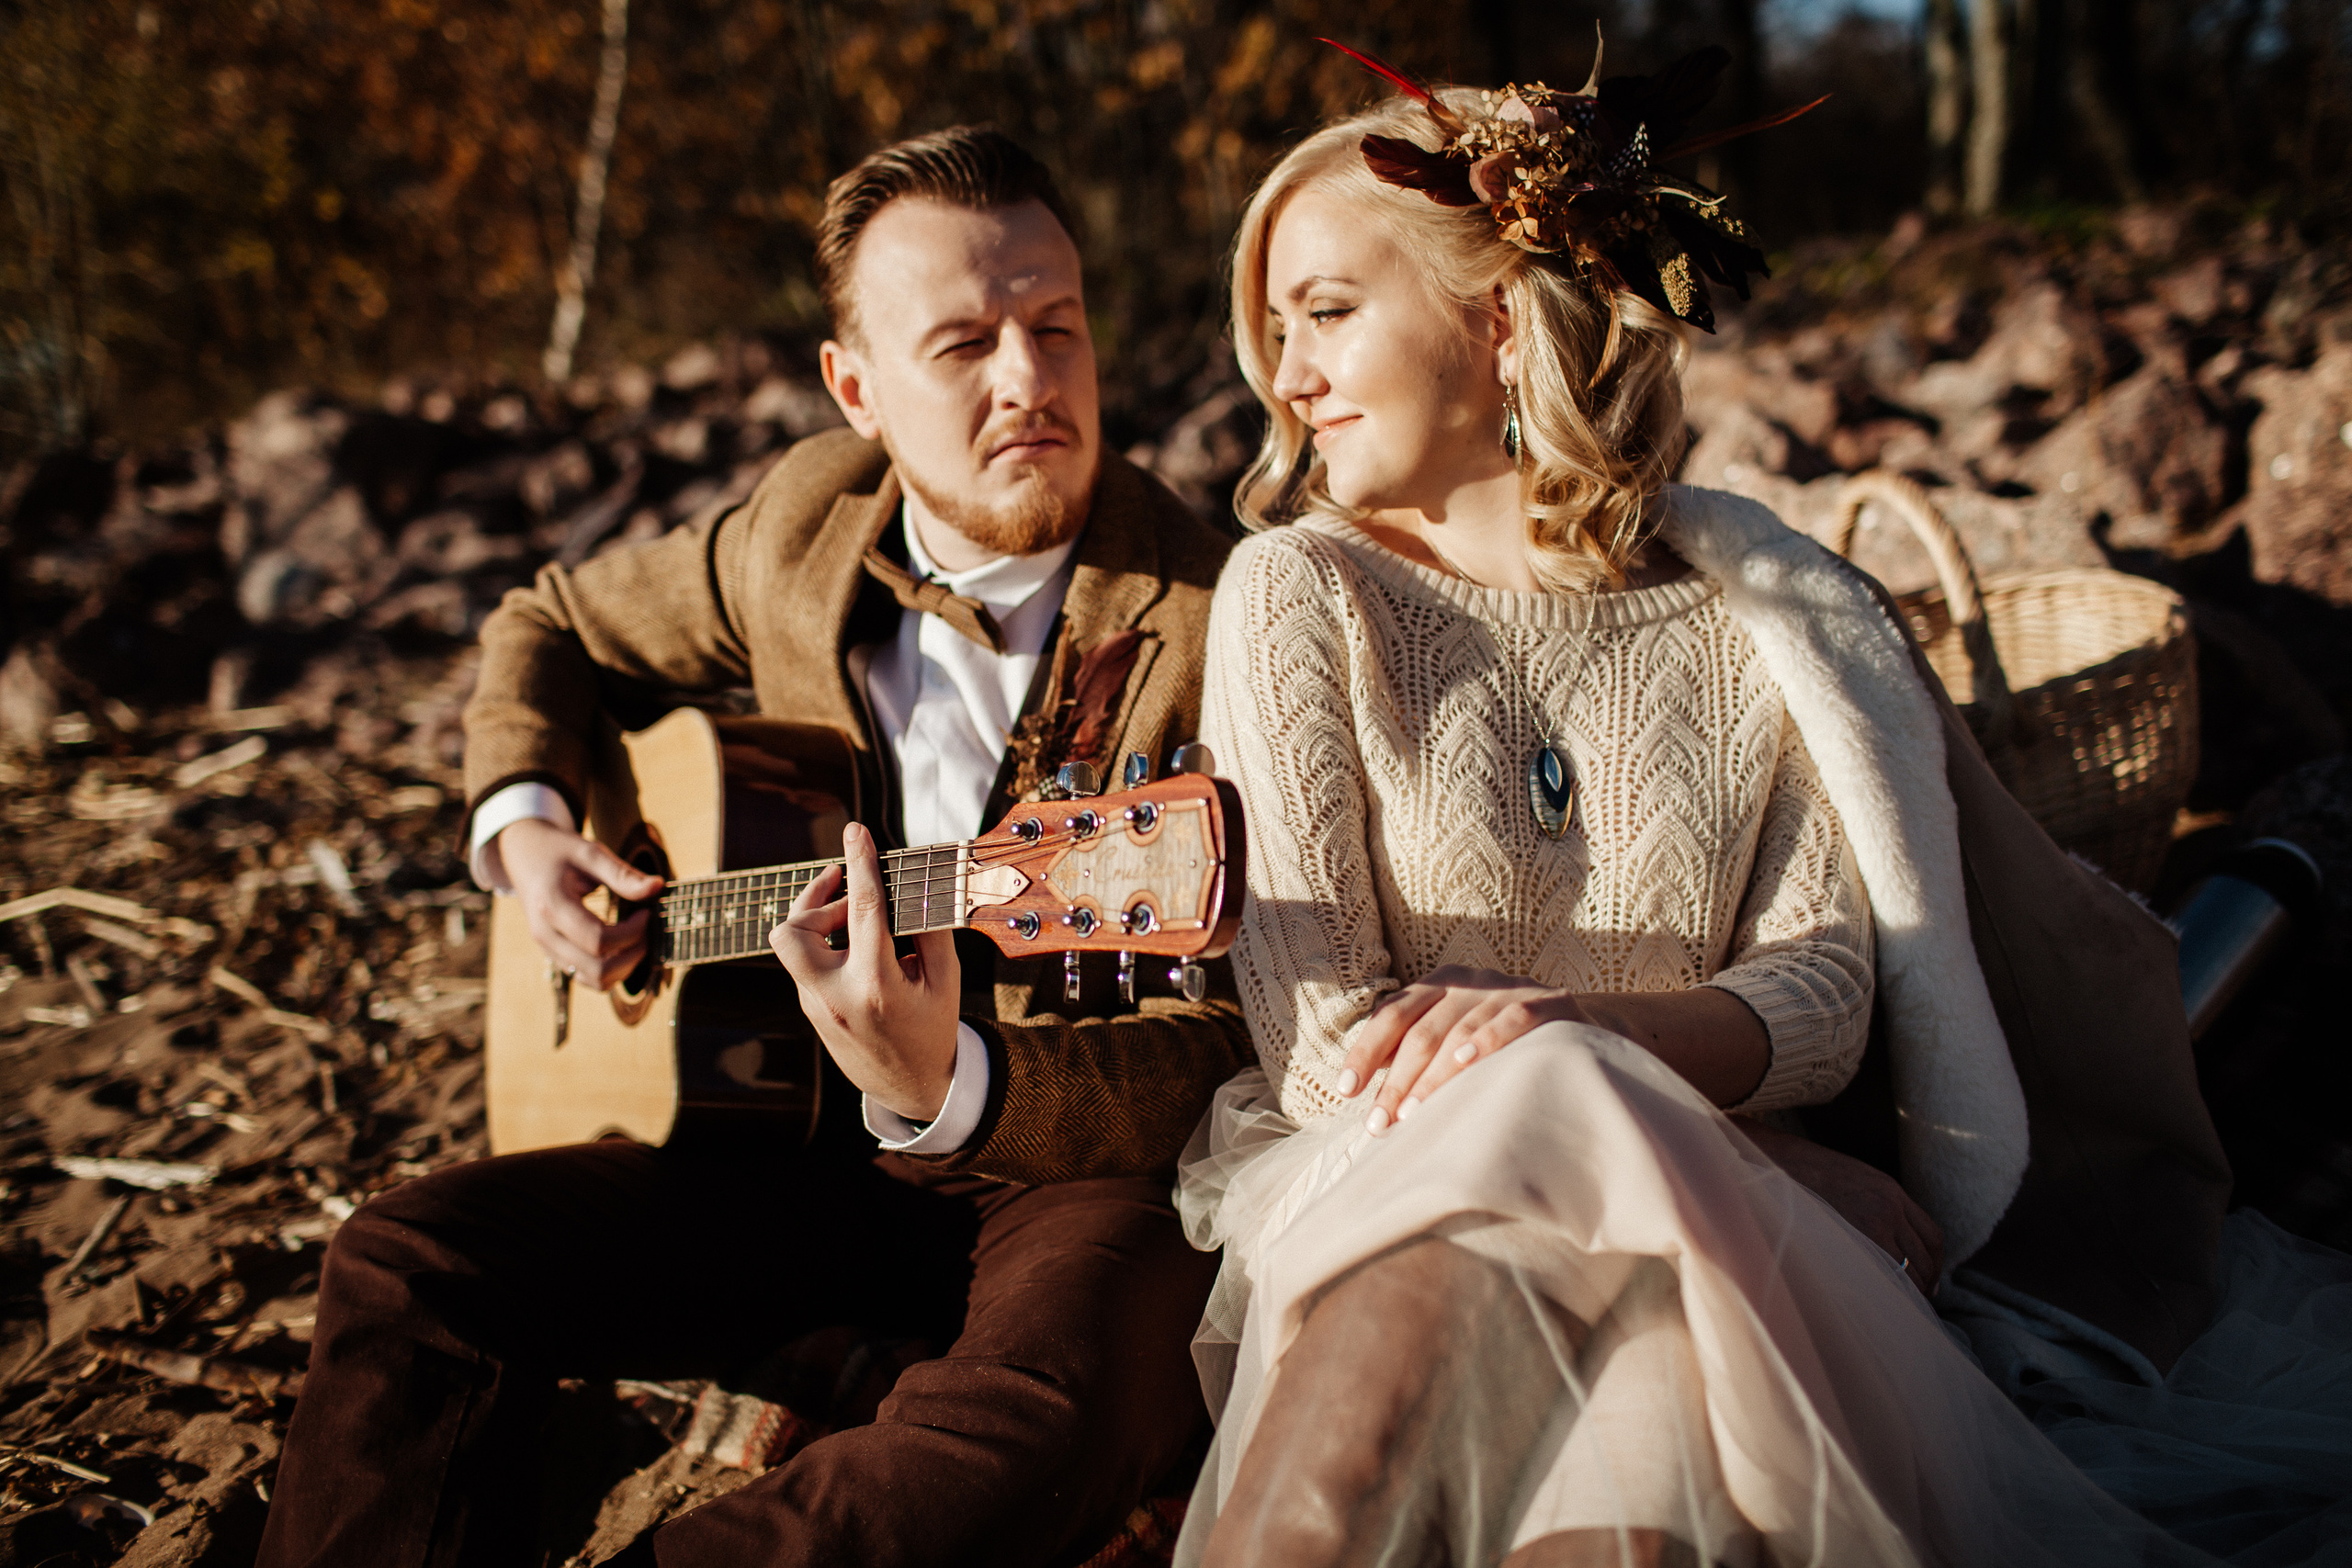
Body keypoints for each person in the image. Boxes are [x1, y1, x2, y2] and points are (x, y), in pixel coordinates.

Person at [1170, 46, 2348, 1568]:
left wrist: (1584, 1037)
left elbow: (1821, 997)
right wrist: (1741, 1145)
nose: (1285, 375)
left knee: (1647, 1486)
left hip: (1711, 1224)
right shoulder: (1297, 593)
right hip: (1398, 1196)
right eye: (1271, 330)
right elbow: (1336, 1062)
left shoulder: (1746, 609)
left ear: (1499, 318)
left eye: (1326, 311)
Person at [254, 127, 1258, 1568]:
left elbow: (1228, 1037)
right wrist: (527, 832)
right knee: (407, 1263)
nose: (1029, 381)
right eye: (964, 342)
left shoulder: (1227, 612)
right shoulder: (802, 528)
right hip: (786, 1143)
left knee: (1032, 1423)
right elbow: (548, 623)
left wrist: (956, 1080)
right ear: (857, 388)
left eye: (1057, 326)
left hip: (1075, 1165)